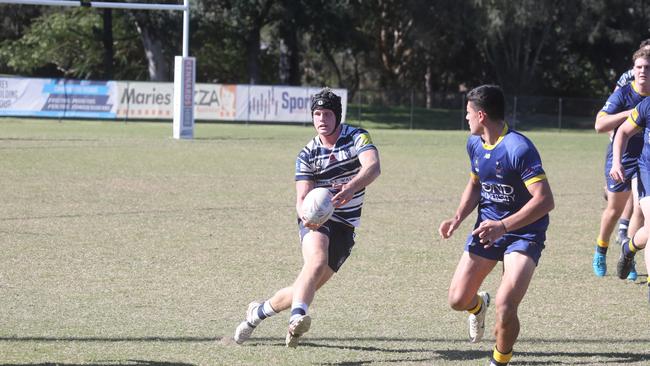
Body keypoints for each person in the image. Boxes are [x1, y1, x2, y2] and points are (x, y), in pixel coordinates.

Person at [233, 88, 381, 347]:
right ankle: (298, 317)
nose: (321, 119)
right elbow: (302, 198)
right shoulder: (307, 154)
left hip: (346, 225)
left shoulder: (357, 136)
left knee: (305, 285)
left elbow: (373, 166)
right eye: (316, 114)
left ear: (338, 116)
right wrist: (306, 215)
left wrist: (351, 187)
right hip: (316, 219)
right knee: (316, 260)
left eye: (326, 114)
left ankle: (256, 314)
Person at [439, 85, 554, 366]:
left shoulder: (519, 148)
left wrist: (503, 226)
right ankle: (479, 305)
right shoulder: (474, 144)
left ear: (481, 115)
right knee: (457, 299)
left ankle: (500, 360)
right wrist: (457, 217)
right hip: (487, 231)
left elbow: (545, 200)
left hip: (524, 234)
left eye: (467, 113)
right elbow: (476, 183)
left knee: (506, 306)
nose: (465, 118)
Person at [592, 47, 650, 279]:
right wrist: (632, 113)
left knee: (640, 209)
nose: (643, 71)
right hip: (623, 156)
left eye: (647, 68)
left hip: (645, 161)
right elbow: (599, 124)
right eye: (639, 67)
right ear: (633, 70)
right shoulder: (624, 94)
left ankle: (630, 255)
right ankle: (601, 249)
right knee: (615, 209)